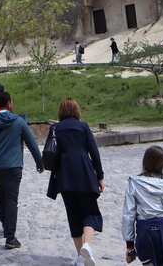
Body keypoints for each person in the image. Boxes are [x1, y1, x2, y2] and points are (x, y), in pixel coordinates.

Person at [0, 91, 44, 250]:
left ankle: (6, 226)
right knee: (11, 200)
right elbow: (31, 143)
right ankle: (10, 237)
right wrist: (40, 163)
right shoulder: (19, 122)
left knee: (0, 195)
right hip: (13, 167)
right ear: (10, 103)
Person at [47, 98, 105, 266]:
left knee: (73, 215)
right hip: (85, 174)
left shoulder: (55, 128)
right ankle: (87, 245)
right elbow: (94, 153)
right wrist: (99, 176)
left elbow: (52, 155)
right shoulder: (83, 127)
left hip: (64, 177)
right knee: (90, 213)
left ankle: (80, 258)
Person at [121, 145, 163, 266]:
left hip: (145, 234)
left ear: (145, 162)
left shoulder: (134, 183)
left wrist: (130, 247)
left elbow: (128, 216)